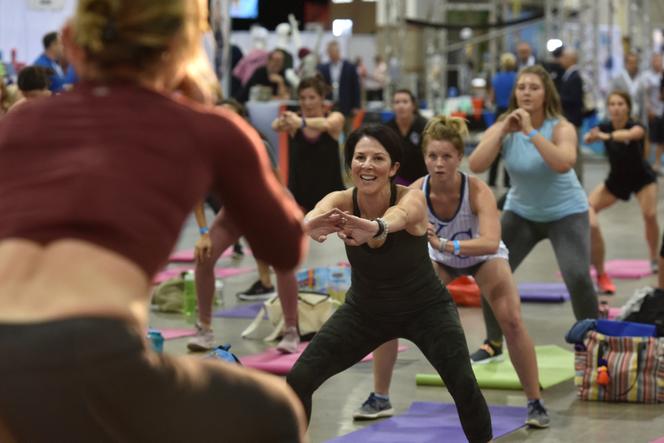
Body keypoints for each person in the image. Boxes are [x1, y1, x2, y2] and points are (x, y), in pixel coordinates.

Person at [0, 1, 308, 441]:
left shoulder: (22, 120)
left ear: (73, 41)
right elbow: (286, 247)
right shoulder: (208, 129)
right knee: (275, 411)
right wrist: (215, 122)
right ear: (185, 48)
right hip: (84, 349)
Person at [287, 124, 493, 443]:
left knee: (464, 385)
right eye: (359, 157)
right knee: (299, 379)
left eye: (377, 158)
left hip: (426, 310)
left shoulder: (412, 198)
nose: (367, 165)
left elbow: (400, 215)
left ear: (394, 168)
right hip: (365, 312)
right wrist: (308, 223)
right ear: (350, 165)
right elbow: (320, 210)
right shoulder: (342, 199)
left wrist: (377, 227)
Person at [353, 116, 549, 428]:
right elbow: (391, 228)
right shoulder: (415, 191)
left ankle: (535, 401)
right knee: (388, 311)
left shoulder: (477, 190)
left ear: (460, 157)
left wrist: (446, 244)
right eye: (432, 156)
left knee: (511, 320)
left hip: (480, 256)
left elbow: (490, 241)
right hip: (439, 259)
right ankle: (380, 396)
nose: (439, 163)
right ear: (424, 157)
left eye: (446, 156)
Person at [468, 65, 598, 364]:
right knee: (489, 270)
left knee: (577, 275)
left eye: (534, 87)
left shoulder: (561, 127)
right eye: (522, 87)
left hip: (566, 212)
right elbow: (475, 164)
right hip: (522, 212)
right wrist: (503, 130)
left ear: (545, 94)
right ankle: (492, 342)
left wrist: (531, 131)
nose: (526, 92)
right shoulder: (504, 125)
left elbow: (564, 162)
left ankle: (593, 342)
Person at [188, 98, 301, 354]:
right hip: (234, 214)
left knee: (283, 264)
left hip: (268, 209)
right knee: (204, 259)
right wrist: (204, 234)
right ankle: (204, 329)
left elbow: (278, 187)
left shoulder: (257, 146)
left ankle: (291, 329)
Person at [584, 91, 659, 293]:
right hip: (616, 181)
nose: (616, 107)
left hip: (642, 179)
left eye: (620, 104)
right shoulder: (604, 126)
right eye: (612, 104)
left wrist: (604, 136)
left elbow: (632, 135)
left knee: (650, 215)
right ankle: (593, 265)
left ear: (627, 107)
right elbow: (588, 136)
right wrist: (590, 137)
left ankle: (654, 258)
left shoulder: (636, 126)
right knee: (585, 210)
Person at [273, 76, 345, 212]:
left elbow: (327, 124)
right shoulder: (294, 121)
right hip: (299, 200)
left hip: (330, 200)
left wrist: (301, 122)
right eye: (302, 98)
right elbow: (275, 126)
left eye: (312, 97)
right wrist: (283, 120)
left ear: (322, 97)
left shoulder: (334, 117)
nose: (307, 102)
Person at [555, 47, 585, 183]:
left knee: (575, 152)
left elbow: (575, 99)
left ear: (571, 59)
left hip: (573, 119)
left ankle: (577, 180)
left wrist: (559, 98)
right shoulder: (568, 75)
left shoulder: (575, 76)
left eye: (563, 57)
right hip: (569, 119)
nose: (561, 60)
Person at [385, 89, 428, 185]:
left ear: (413, 105)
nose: (401, 106)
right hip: (396, 180)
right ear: (393, 106)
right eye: (397, 102)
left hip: (422, 179)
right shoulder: (387, 129)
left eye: (405, 102)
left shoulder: (424, 126)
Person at [488, 52, 517, 189]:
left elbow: (492, 98)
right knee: (510, 147)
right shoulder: (517, 78)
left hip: (499, 114)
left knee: (496, 145)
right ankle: (507, 181)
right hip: (512, 112)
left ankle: (492, 180)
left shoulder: (496, 78)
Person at [318, 40, 361, 120]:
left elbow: (356, 87)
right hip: (329, 105)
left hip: (346, 105)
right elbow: (321, 86)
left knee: (347, 129)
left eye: (333, 51)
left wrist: (356, 106)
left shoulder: (350, 67)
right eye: (329, 52)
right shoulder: (323, 68)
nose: (331, 54)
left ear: (338, 51)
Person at [642, 53, 664, 173]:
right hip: (652, 112)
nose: (658, 63)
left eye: (660, 61)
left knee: (662, 139)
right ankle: (645, 163)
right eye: (655, 61)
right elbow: (645, 95)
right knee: (650, 138)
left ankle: (657, 163)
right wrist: (648, 109)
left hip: (662, 111)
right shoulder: (647, 76)